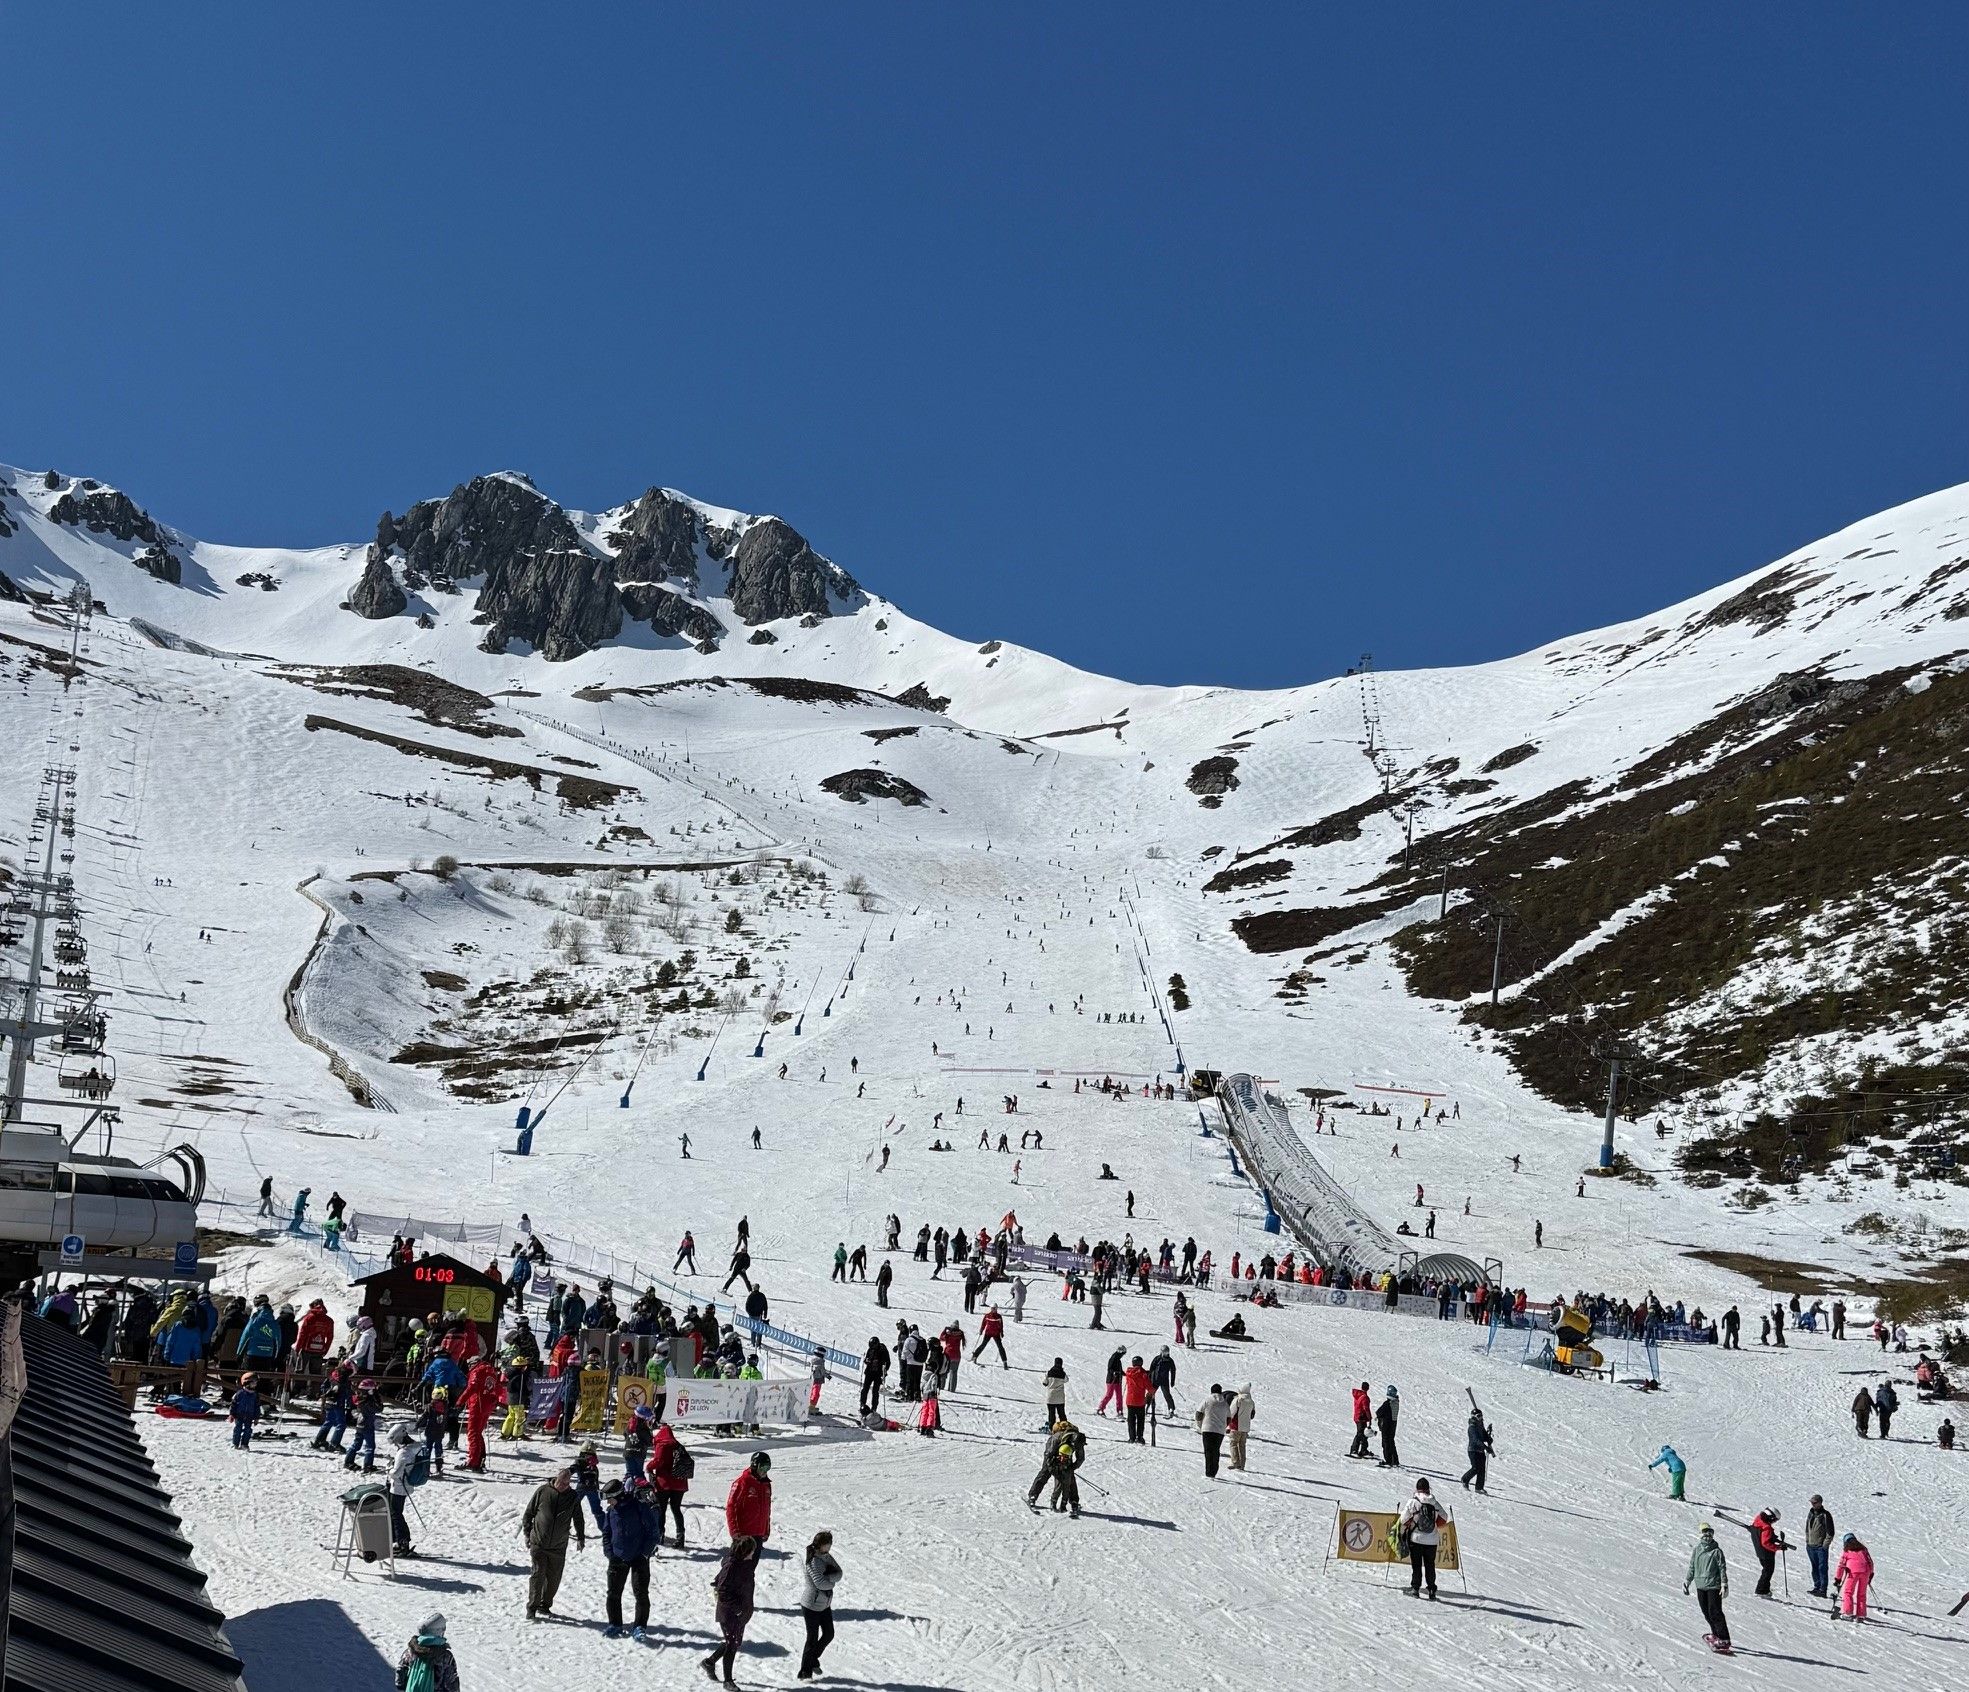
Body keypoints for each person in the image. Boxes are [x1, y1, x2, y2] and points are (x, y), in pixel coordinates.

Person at [521, 1467, 587, 1620]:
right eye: (561, 1483)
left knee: (554, 1578)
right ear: (555, 1480)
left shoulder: (572, 1496)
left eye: (567, 1483)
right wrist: (527, 1533)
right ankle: (532, 1608)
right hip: (539, 1542)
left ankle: (545, 1605)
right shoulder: (543, 1491)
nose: (563, 1486)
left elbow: (578, 1518)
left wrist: (581, 1537)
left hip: (558, 1546)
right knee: (538, 1575)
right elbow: (529, 1513)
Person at [600, 1478, 658, 1640]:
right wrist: (609, 1553)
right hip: (618, 1557)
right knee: (613, 1593)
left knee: (641, 1593)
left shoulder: (639, 1507)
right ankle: (615, 1624)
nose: (608, 1502)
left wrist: (645, 1553)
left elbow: (653, 1532)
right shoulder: (611, 1511)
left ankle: (639, 1626)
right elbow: (606, 1533)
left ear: (618, 1496)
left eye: (609, 1498)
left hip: (639, 1557)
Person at [705, 1534, 759, 1685]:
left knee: (733, 1643)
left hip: (741, 1612)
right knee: (731, 1645)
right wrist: (738, 1609)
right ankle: (728, 1681)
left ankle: (710, 1662)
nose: (754, 1553)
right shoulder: (731, 1567)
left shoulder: (745, 1564)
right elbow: (722, 1591)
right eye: (752, 1551)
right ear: (745, 1551)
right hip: (730, 1613)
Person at [797, 1531, 841, 1681]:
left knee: (829, 1634)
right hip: (811, 1604)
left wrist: (829, 1577)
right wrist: (831, 1579)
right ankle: (805, 1672)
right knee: (812, 1638)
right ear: (821, 1544)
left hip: (824, 1604)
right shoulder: (813, 1561)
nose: (830, 1545)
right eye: (828, 1543)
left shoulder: (827, 1556)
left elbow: (839, 1572)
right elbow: (820, 1583)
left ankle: (813, 1658)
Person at [1685, 1523, 1731, 1651]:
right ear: (1700, 1533)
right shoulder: (1697, 1549)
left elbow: (1722, 1568)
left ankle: (1724, 1638)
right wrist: (1688, 1581)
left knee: (1715, 1612)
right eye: (1705, 1532)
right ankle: (1716, 1634)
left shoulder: (1716, 1551)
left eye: (1710, 1532)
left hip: (1713, 1586)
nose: (1708, 1535)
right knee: (1706, 1612)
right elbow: (1692, 1566)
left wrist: (1724, 1584)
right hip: (1700, 1585)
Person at [1026, 1418, 1084, 1516]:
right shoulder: (1061, 1438)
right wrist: (1054, 1469)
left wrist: (1070, 1468)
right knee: (1047, 1473)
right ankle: (1033, 1496)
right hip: (1053, 1455)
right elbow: (1048, 1455)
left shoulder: (1076, 1441)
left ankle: (1074, 1501)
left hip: (1065, 1454)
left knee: (1066, 1476)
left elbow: (1080, 1459)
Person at [1399, 1478, 1444, 1599]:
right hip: (1432, 1540)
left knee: (1417, 1564)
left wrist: (1412, 1523)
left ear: (1417, 1489)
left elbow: (1402, 1519)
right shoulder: (1434, 1502)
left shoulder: (1413, 1502)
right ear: (1429, 1488)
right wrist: (1433, 1525)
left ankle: (1415, 1589)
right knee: (1430, 1565)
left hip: (1416, 1539)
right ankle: (1432, 1590)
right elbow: (1444, 1518)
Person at [649, 1422, 692, 1546]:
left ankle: (660, 1534)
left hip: (664, 1483)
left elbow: (658, 1461)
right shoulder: (678, 1445)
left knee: (661, 1509)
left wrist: (648, 1467)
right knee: (676, 1508)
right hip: (680, 1483)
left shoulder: (662, 1445)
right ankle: (680, 1536)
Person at [394, 1613, 459, 1692]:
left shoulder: (409, 1652)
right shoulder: (446, 1656)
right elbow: (451, 1686)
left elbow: (399, 1682)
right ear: (439, 1631)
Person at [725, 1451, 772, 1545]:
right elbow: (731, 1507)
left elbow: (767, 1509)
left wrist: (766, 1529)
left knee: (754, 1560)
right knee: (735, 1560)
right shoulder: (742, 1483)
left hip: (759, 1534)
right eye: (762, 1467)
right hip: (743, 1534)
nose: (764, 1471)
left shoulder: (766, 1485)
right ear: (755, 1466)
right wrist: (735, 1531)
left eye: (768, 1468)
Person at [1834, 1532, 1873, 1622]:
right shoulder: (1863, 1549)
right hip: (1865, 1572)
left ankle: (1848, 1613)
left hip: (1853, 1573)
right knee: (1861, 1594)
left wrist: (1838, 1578)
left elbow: (1841, 1565)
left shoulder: (1847, 1551)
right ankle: (1861, 1615)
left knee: (1848, 1592)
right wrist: (1871, 1574)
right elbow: (1870, 1561)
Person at [1750, 1507, 1786, 1597]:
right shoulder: (1766, 1528)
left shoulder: (1758, 1520)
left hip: (1760, 1552)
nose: (1774, 1522)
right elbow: (1765, 1543)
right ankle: (1761, 1591)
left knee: (1767, 1571)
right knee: (1767, 1571)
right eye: (1775, 1520)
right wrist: (1778, 1547)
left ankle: (1765, 1589)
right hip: (1766, 1553)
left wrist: (1773, 1537)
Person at [1196, 1385, 1230, 1478]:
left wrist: (1200, 1425)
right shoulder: (1225, 1403)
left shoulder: (1207, 1400)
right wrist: (1223, 1426)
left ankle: (1209, 1473)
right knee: (1216, 1450)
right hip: (1219, 1431)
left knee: (1208, 1451)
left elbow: (1198, 1414)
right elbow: (1229, 1418)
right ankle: (1214, 1471)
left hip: (1207, 1429)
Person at [1805, 1495, 1835, 1597]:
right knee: (1814, 1568)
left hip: (1820, 1548)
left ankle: (1823, 1590)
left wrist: (1824, 1545)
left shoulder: (1825, 1515)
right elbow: (1807, 1528)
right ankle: (1816, 1587)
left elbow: (1830, 1532)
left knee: (1822, 1568)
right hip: (1810, 1546)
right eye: (1812, 1502)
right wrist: (1807, 1540)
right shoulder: (1811, 1513)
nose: (1812, 1504)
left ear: (1820, 1503)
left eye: (1815, 1502)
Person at [1461, 1409, 1493, 1492]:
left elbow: (1484, 1437)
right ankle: (1465, 1479)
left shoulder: (1480, 1427)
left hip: (1480, 1450)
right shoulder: (1472, 1428)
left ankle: (1479, 1487)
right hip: (1473, 1450)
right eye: (1479, 1416)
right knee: (1475, 1468)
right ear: (1474, 1417)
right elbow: (1475, 1440)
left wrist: (1489, 1439)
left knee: (1482, 1469)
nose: (1481, 1418)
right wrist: (1486, 1447)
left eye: (1481, 1416)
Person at [1122, 1356, 1152, 1444]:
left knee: (1131, 1420)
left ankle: (1131, 1437)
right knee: (1140, 1420)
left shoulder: (1129, 1373)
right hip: (1140, 1401)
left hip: (1130, 1401)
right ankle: (1139, 1437)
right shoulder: (1143, 1375)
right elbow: (1149, 1388)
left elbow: (1135, 1374)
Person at [1229, 1383, 1256, 1470]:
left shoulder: (1238, 1400)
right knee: (1242, 1445)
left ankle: (1235, 1462)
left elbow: (1231, 1413)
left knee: (1233, 1444)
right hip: (1245, 1428)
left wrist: (1227, 1424)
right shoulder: (1251, 1402)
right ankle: (1242, 1465)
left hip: (1236, 1426)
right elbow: (1252, 1415)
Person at [229, 1373, 260, 1450]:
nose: (255, 1385)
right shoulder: (239, 1394)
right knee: (238, 1429)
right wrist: (232, 1414)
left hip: (249, 1416)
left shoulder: (255, 1395)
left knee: (248, 1430)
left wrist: (256, 1417)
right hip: (239, 1415)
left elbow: (257, 1407)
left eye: (256, 1383)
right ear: (247, 1383)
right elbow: (233, 1404)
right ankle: (235, 1443)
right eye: (253, 1383)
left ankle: (244, 1444)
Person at [1375, 1385, 1401, 1467]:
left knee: (1386, 1443)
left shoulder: (1387, 1403)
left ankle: (1388, 1460)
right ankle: (1395, 1460)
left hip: (1386, 1425)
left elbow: (1379, 1412)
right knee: (1391, 1442)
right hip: (1393, 1425)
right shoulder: (1396, 1402)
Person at [1349, 1381, 1372, 1460]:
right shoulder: (1364, 1397)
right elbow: (1366, 1409)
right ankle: (1354, 1450)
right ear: (1368, 1388)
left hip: (1357, 1416)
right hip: (1361, 1418)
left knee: (1363, 1434)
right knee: (1360, 1433)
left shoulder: (1358, 1395)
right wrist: (1369, 1418)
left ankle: (1363, 1450)